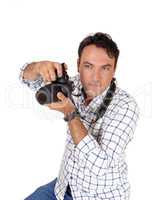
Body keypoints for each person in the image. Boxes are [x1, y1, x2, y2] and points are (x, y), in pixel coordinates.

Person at [19, 32, 139, 200]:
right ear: (78, 64)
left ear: (114, 69)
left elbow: (100, 166)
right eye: (88, 66)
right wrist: (37, 67)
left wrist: (70, 113)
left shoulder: (126, 106)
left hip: (99, 196)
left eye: (105, 68)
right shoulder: (73, 85)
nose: (95, 78)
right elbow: (27, 79)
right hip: (64, 186)